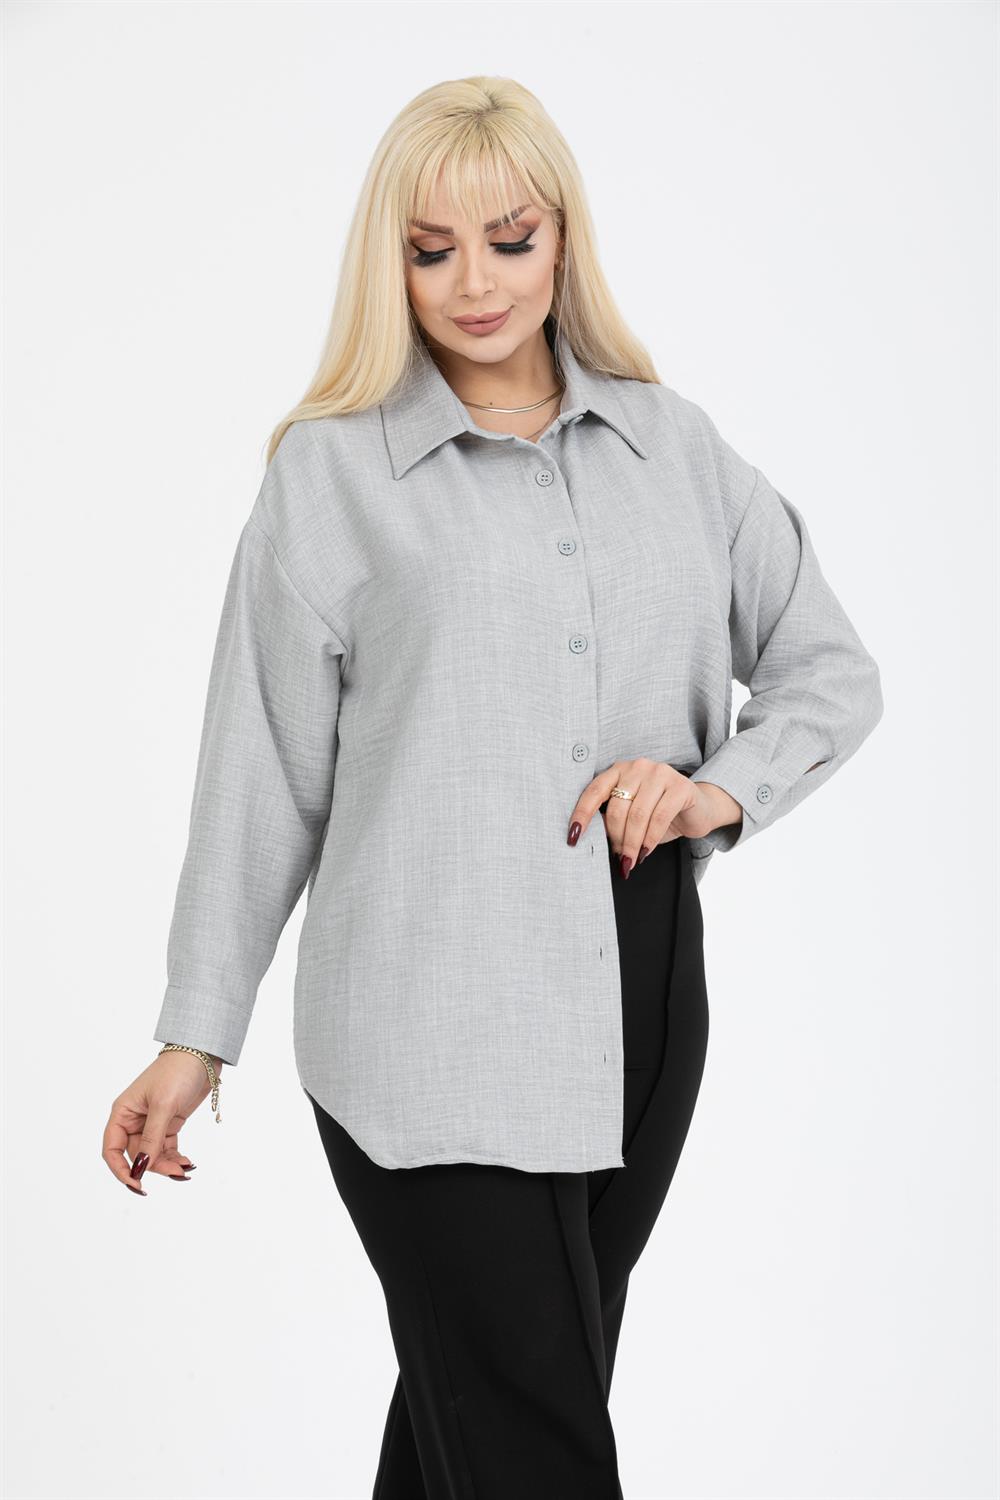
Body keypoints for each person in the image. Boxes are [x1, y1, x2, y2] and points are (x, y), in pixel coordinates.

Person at [101, 75, 883, 1499]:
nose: (476, 283)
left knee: (487, 1418)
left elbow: (829, 669)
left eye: (511, 240)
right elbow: (260, 770)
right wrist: (194, 1036)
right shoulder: (330, 478)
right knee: (531, 1432)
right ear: (388, 263)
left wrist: (713, 791)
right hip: (420, 1019)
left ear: (564, 239)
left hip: (637, 1002)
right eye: (432, 249)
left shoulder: (675, 448)